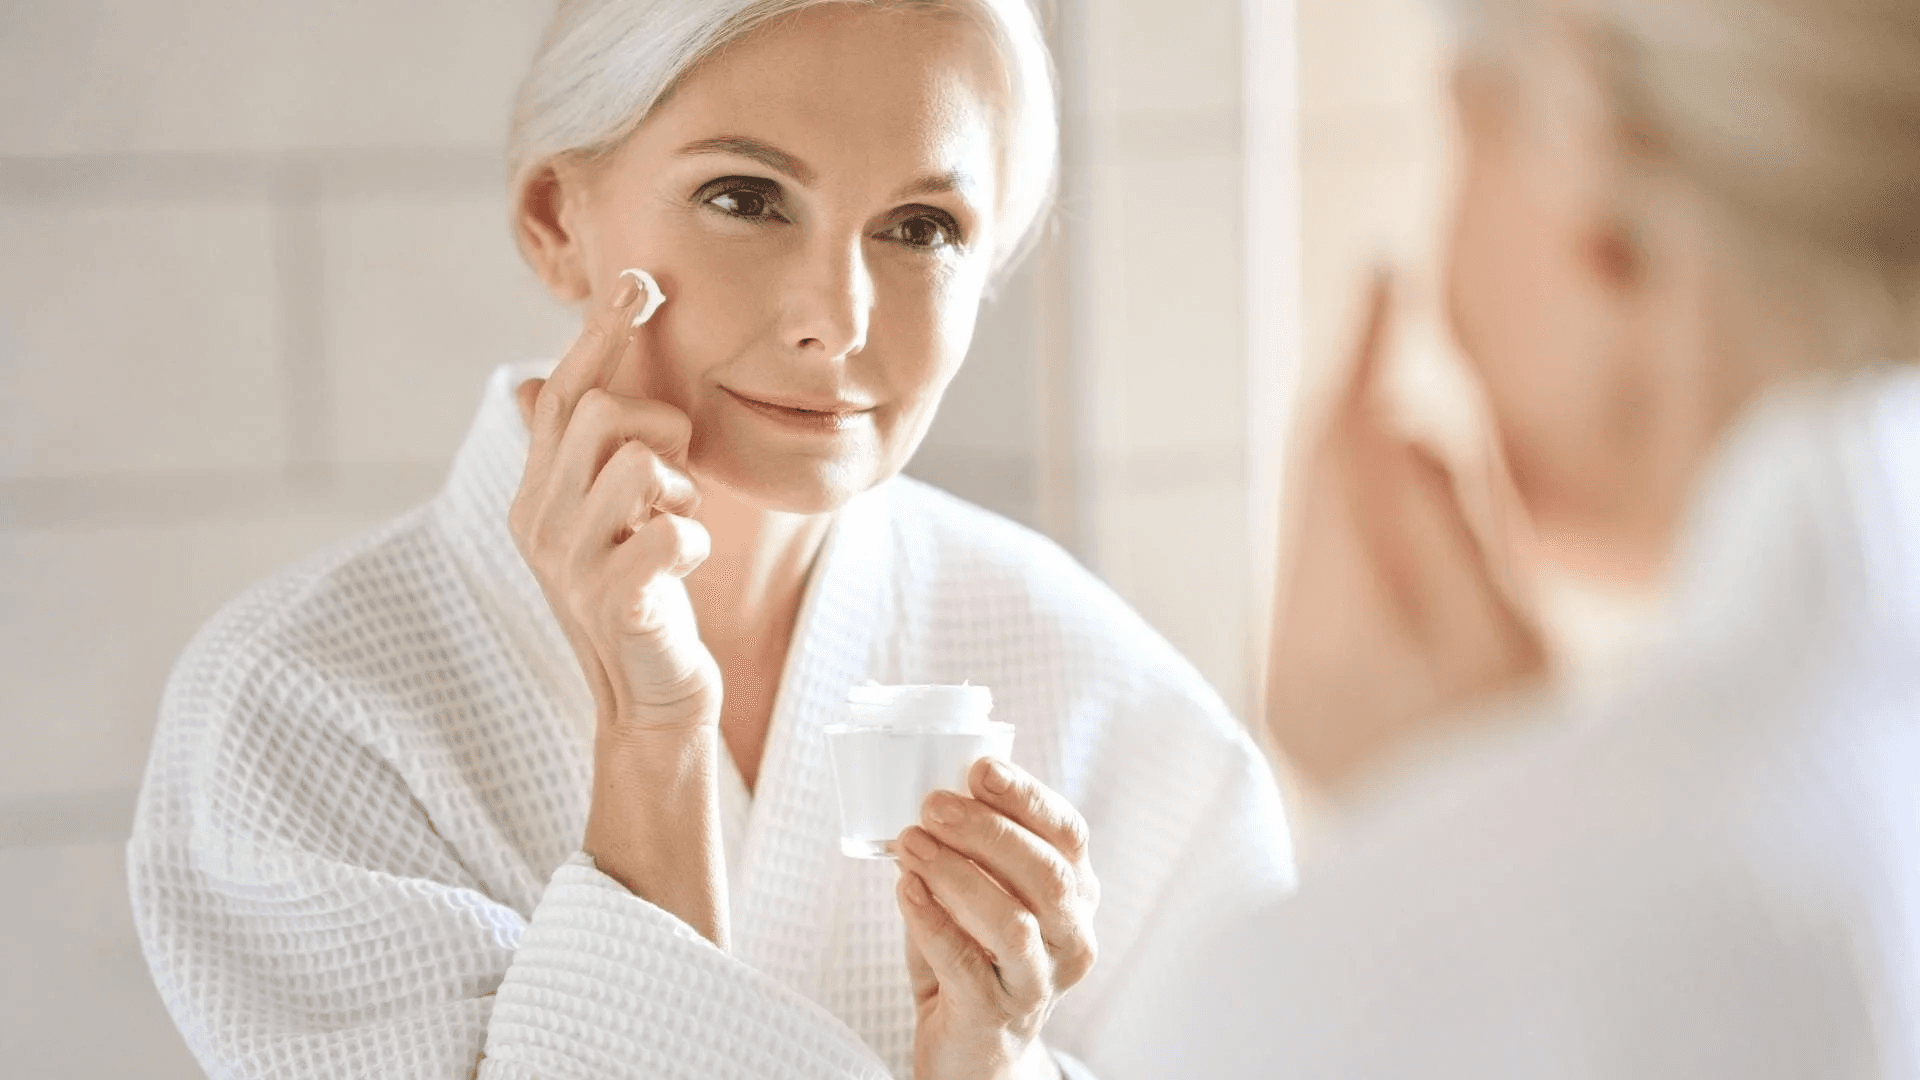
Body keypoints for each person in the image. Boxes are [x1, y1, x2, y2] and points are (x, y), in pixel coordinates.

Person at [126, 3, 1291, 1078]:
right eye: (746, 197)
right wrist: (652, 746)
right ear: (555, 221)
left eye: (921, 227)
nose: (836, 318)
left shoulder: (1109, 703)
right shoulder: (300, 710)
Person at [1113, 0, 1920, 1074]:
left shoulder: (1329, 995)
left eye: (1465, 128)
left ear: (1595, 162)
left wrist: (1440, 856)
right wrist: (1490, 780)